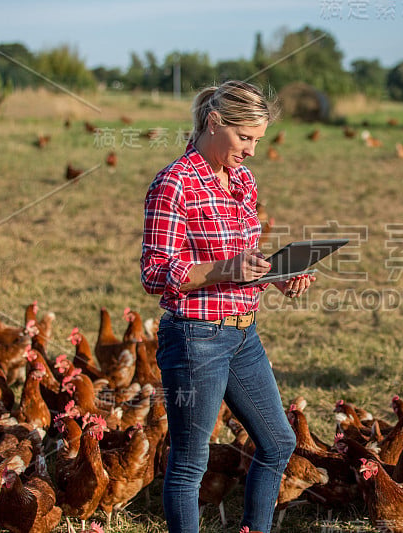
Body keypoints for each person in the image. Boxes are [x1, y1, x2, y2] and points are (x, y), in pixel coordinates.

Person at [141, 80, 312, 533]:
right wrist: (223, 270)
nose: (253, 151)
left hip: (243, 334)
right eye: (246, 137)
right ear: (214, 123)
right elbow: (155, 273)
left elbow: (244, 259)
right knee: (190, 461)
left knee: (278, 441)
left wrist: (278, 276)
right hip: (195, 338)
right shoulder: (173, 184)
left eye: (258, 139)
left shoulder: (242, 181)